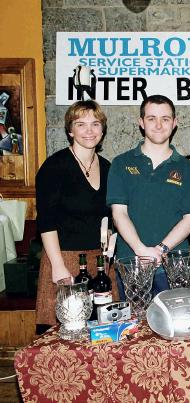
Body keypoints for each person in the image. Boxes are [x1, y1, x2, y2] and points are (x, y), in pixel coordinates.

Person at [107, 95, 190, 296]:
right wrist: (141, 250)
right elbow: (119, 214)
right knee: (135, 327)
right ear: (141, 122)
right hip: (132, 265)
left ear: (175, 123)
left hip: (175, 267)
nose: (159, 125)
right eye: (151, 118)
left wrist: (160, 249)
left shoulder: (188, 168)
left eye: (165, 119)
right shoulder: (121, 164)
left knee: (174, 326)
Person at [35, 100, 118, 328]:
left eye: (95, 124)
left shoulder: (108, 167)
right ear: (70, 130)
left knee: (104, 331)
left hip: (100, 262)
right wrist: (58, 266)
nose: (89, 131)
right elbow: (46, 221)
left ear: (102, 129)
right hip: (65, 258)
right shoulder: (54, 167)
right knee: (65, 334)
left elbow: (109, 216)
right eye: (81, 124)